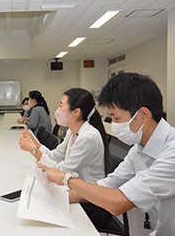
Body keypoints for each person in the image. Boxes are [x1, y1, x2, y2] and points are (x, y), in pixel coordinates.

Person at [38, 73, 175, 236]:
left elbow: (118, 203)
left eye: (116, 118)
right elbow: (109, 183)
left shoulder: (171, 151)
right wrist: (50, 199)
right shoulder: (138, 149)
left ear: (143, 115)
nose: (114, 125)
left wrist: (68, 179)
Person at [19, 88, 112, 228]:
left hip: (91, 202)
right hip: (76, 190)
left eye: (61, 105)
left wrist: (34, 151)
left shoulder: (88, 137)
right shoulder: (72, 132)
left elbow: (60, 172)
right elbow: (54, 156)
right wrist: (36, 145)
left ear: (76, 112)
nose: (58, 110)